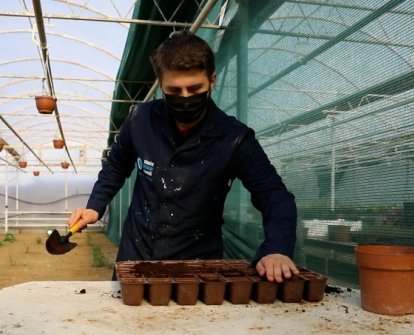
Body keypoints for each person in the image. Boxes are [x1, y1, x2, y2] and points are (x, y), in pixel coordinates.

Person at [69, 31, 298, 282]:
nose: (186, 97)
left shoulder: (234, 139)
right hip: (136, 257)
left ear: (212, 81)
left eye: (195, 88)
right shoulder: (140, 121)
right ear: (161, 87)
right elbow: (115, 167)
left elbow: (273, 194)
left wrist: (277, 247)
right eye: (175, 90)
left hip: (197, 266)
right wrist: (94, 206)